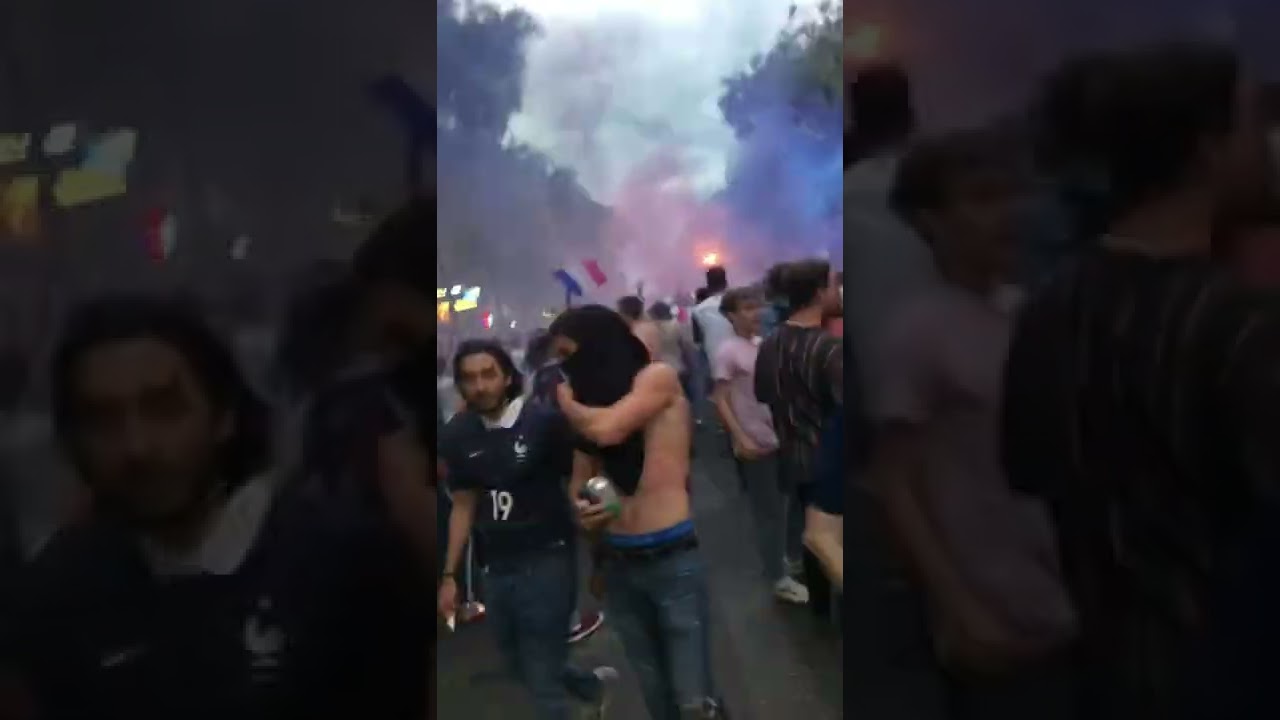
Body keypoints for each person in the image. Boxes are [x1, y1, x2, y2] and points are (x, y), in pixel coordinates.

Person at [1002, 43, 1275, 719]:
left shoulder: (1048, 306)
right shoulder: (1238, 322)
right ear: (1207, 150)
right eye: (1251, 126)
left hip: (1106, 667)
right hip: (1234, 671)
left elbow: (1026, 466)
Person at [0, 294, 431, 719]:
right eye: (102, 420)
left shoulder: (347, 561)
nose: (137, 446)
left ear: (224, 415)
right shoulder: (56, 595)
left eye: (164, 409)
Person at [874, 130, 1078, 716]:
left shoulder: (1028, 310)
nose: (1007, 214)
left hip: (1066, 602)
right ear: (930, 221)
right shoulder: (917, 332)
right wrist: (958, 607)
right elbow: (895, 482)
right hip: (996, 619)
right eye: (983, 198)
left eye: (1011, 194)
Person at [549, 305, 725, 719]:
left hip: (672, 559)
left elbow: (608, 429)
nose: (565, 368)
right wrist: (581, 511)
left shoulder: (655, 378)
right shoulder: (591, 403)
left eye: (569, 354)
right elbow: (580, 477)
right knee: (656, 694)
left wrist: (566, 404)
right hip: (619, 563)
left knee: (694, 698)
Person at [438, 341, 616, 720]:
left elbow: (578, 478)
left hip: (548, 556)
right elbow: (464, 505)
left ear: (507, 377)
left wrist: (599, 549)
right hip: (497, 566)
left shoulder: (543, 423)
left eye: (488, 374)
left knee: (540, 676)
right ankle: (590, 687)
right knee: (517, 661)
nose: (480, 386)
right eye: (469, 378)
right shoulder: (457, 435)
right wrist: (449, 576)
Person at [753, 260, 843, 620]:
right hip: (831, 463)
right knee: (834, 538)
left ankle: (820, 610)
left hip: (792, 456)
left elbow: (762, 394)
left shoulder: (769, 344)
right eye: (833, 285)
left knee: (811, 534)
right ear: (819, 293)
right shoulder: (829, 348)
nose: (837, 292)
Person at [709, 287, 805, 604]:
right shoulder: (728, 351)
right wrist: (740, 437)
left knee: (793, 503)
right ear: (731, 315)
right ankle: (777, 577)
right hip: (756, 442)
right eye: (747, 308)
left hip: (780, 437)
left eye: (757, 307)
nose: (756, 313)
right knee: (769, 513)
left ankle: (790, 559)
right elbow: (720, 399)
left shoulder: (764, 344)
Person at [522, 330, 607, 645]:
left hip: (547, 463)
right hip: (571, 458)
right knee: (585, 524)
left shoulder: (534, 379)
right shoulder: (560, 376)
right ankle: (573, 614)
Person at [648, 301, 697, 400]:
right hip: (678, 368)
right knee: (685, 398)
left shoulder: (649, 330)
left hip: (658, 372)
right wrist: (692, 366)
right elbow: (687, 348)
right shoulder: (677, 326)